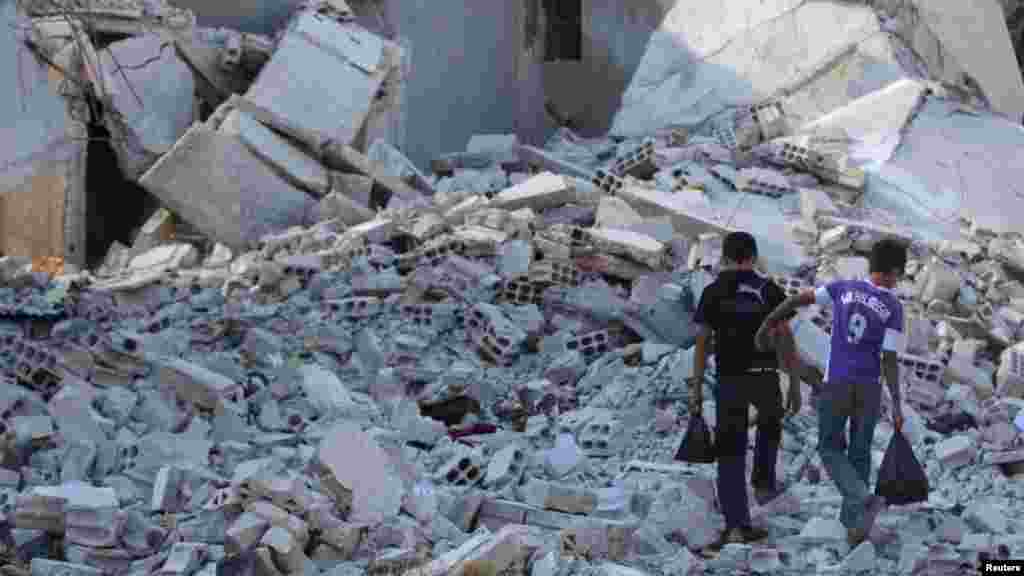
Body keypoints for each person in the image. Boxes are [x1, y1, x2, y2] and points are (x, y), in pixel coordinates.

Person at [756, 237, 907, 547]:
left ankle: (860, 499)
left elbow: (798, 300)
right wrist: (897, 403)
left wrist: (769, 321)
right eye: (899, 275)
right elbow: (889, 359)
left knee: (829, 447)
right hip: (869, 388)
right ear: (893, 272)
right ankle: (855, 526)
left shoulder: (842, 288)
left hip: (837, 382)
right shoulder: (893, 306)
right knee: (860, 453)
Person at [689, 231, 796, 548]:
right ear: (753, 256)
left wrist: (696, 387)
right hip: (763, 375)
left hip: (730, 379)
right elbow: (785, 336)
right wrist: (793, 381)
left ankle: (736, 525)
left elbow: (702, 342)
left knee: (730, 451)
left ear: (724, 257)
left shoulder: (712, 291)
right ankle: (763, 484)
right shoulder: (767, 289)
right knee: (770, 426)